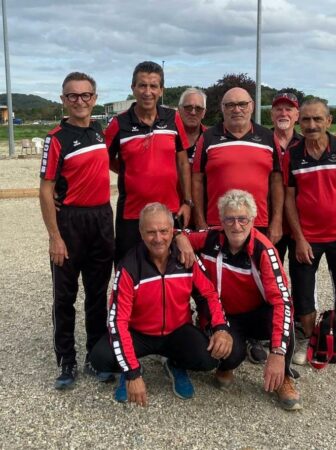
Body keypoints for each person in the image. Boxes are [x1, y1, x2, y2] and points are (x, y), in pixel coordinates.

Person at [90, 203, 233, 405]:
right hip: (139, 334)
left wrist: (220, 327)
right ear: (141, 233)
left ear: (172, 231)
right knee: (100, 358)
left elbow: (208, 294)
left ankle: (174, 363)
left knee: (209, 358)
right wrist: (132, 372)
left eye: (164, 231)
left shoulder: (186, 258)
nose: (158, 238)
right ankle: (130, 366)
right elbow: (118, 321)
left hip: (176, 331)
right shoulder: (129, 266)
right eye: (151, 232)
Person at [178, 189, 301, 410]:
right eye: (230, 219)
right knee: (230, 354)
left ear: (252, 220)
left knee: (284, 316)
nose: (236, 226)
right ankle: (227, 364)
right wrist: (181, 238)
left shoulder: (264, 250)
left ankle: (283, 376)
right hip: (225, 315)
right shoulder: (211, 237)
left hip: (257, 312)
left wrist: (277, 353)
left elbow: (281, 301)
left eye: (243, 219)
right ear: (221, 221)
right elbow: (173, 232)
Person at [192, 87, 284, 364]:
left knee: (258, 283)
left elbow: (277, 180)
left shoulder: (267, 137)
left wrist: (277, 221)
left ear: (252, 106)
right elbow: (197, 179)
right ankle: (213, 323)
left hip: (259, 224)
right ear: (222, 108)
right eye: (230, 105)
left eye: (242, 104)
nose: (237, 109)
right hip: (217, 224)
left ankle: (255, 335)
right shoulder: (209, 137)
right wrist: (200, 221)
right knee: (216, 282)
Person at [39, 72, 115, 390]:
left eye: (85, 95)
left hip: (102, 219)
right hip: (70, 222)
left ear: (94, 99)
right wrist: (55, 236)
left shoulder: (99, 130)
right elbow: (45, 190)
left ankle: (94, 357)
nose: (79, 101)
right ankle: (66, 360)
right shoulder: (56, 138)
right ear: (63, 100)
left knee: (97, 294)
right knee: (64, 296)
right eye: (72, 96)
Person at [283, 99, 336, 368]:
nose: (311, 125)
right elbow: (289, 199)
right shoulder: (292, 155)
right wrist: (299, 238)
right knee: (303, 291)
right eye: (306, 120)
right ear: (299, 122)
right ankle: (308, 339)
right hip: (306, 238)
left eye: (317, 119)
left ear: (328, 121)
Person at [105, 61, 192, 263]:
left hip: (169, 210)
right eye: (142, 85)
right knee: (127, 267)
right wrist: (129, 171)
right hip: (131, 213)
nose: (147, 92)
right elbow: (104, 158)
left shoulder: (173, 118)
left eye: (153, 86)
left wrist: (187, 202)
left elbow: (182, 163)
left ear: (161, 90)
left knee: (170, 267)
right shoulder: (119, 123)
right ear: (133, 88)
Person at [270, 92, 303, 263]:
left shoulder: (306, 143)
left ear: (297, 115)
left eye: (289, 109)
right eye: (278, 109)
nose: (283, 113)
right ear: (271, 114)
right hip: (269, 220)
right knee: (271, 271)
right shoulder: (262, 142)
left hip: (300, 221)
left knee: (302, 272)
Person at [178, 87, 207, 165]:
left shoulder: (211, 138)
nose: (193, 113)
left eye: (198, 108)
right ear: (179, 109)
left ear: (204, 113)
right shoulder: (168, 136)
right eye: (188, 108)